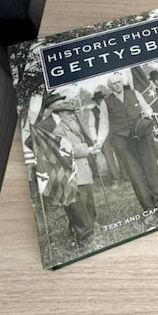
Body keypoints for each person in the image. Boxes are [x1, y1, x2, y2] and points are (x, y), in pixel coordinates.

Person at [97, 74, 158, 214]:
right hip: (121, 140)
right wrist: (99, 142)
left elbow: (147, 108)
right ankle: (148, 209)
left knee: (151, 169)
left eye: (119, 82)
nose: (117, 85)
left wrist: (147, 113)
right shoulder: (105, 102)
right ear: (109, 87)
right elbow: (104, 124)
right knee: (135, 174)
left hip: (141, 135)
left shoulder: (135, 93)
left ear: (122, 82)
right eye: (114, 83)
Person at [51, 98, 98, 246]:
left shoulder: (74, 127)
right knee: (78, 206)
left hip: (83, 170)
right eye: (68, 113)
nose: (72, 115)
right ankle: (84, 236)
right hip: (72, 173)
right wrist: (88, 149)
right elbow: (68, 150)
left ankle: (91, 226)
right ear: (60, 114)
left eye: (72, 112)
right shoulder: (59, 131)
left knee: (88, 200)